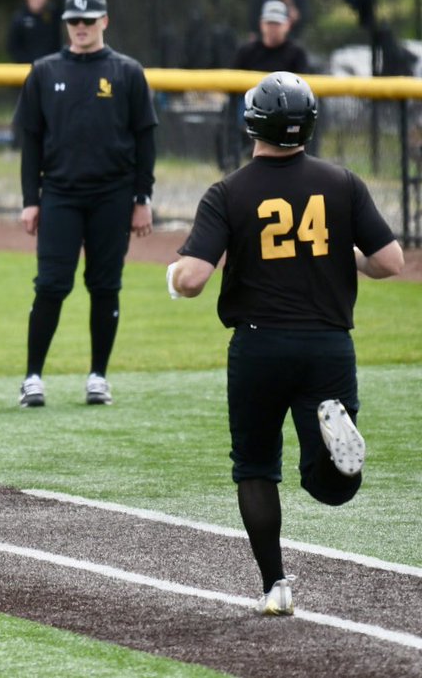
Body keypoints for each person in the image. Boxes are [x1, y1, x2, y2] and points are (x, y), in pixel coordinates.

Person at [167, 72, 404, 615]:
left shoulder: (229, 191)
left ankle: (275, 586)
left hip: (259, 346)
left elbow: (193, 280)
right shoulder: (342, 182)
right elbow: (390, 262)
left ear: (253, 122)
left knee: (254, 467)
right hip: (328, 343)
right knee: (330, 485)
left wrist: (175, 276)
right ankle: (339, 462)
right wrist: (344, 256)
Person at [14, 0, 157, 408]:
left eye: (88, 20)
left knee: (105, 285)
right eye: (73, 21)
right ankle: (32, 377)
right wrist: (30, 198)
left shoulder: (127, 72)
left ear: (104, 22)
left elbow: (145, 139)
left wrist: (142, 197)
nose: (80, 27)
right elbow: (31, 141)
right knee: (51, 285)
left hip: (112, 195)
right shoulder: (44, 71)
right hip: (59, 192)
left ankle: (98, 376)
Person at [221, 0, 312, 170]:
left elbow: (303, 90)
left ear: (287, 25)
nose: (273, 28)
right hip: (253, 106)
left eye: (277, 23)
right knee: (234, 110)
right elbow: (231, 84)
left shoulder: (296, 53)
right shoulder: (247, 51)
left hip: (287, 110)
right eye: (269, 23)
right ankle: (233, 164)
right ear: (262, 24)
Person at [7, 0, 74, 148]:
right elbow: (12, 46)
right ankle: (17, 144)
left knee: (53, 109)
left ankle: (53, 143)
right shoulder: (19, 18)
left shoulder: (53, 14)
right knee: (23, 110)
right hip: (25, 72)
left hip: (52, 71)